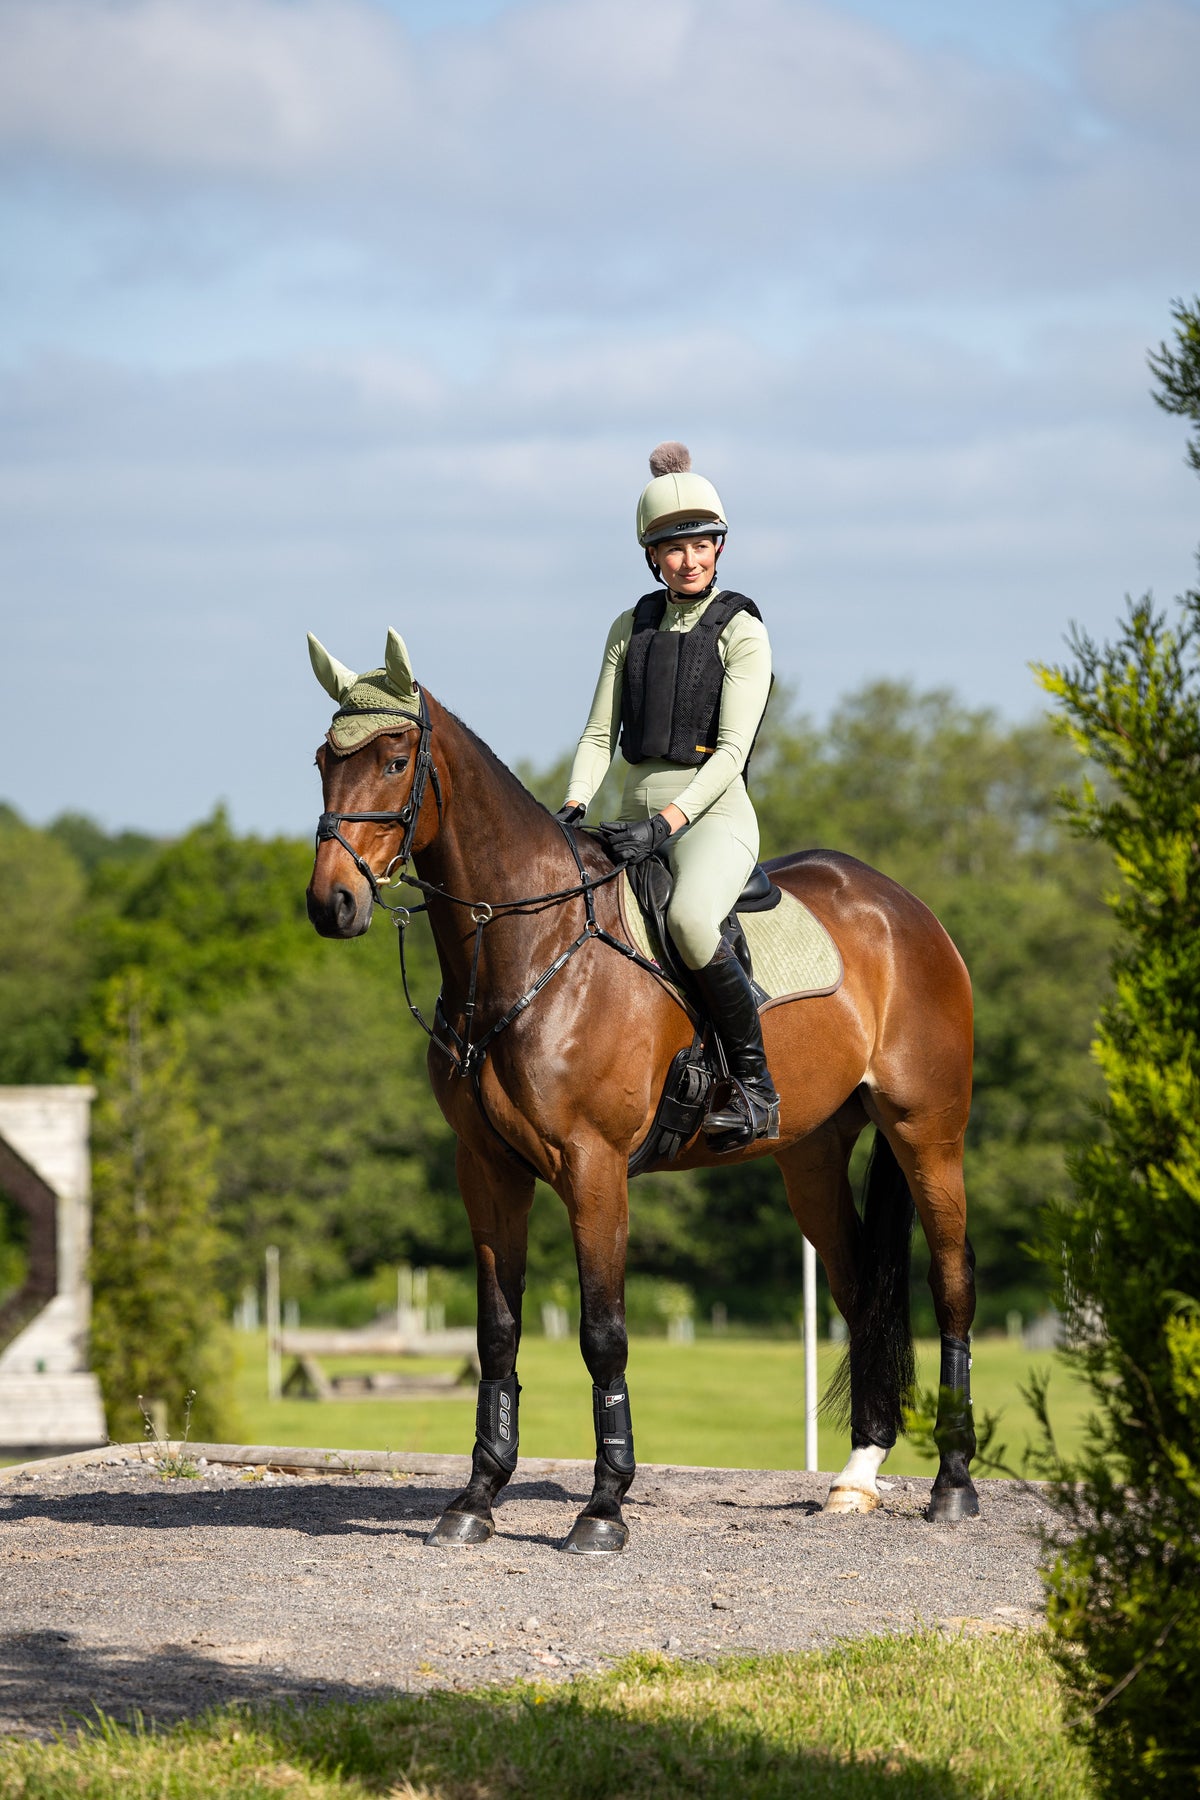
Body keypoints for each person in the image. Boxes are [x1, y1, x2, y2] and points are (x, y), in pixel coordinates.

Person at [556, 442, 780, 1149]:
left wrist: (670, 823)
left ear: (719, 547)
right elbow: (599, 733)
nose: (689, 559)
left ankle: (755, 1087)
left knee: (686, 920)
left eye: (701, 544)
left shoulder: (742, 630)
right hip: (631, 809)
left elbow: (736, 753)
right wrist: (572, 806)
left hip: (712, 816)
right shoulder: (631, 627)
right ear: (653, 557)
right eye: (673, 548)